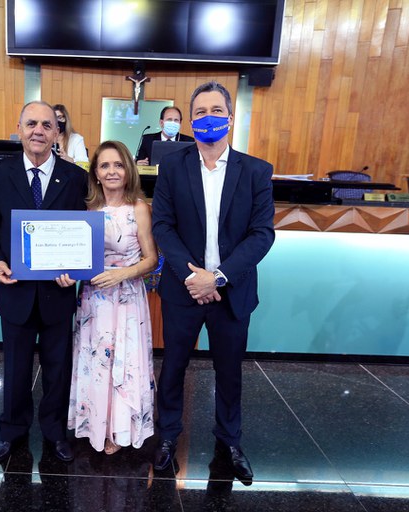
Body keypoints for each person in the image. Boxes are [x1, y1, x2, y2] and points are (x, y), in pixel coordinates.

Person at [150, 81, 275, 483]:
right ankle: (167, 435)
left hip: (231, 291)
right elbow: (163, 226)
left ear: (230, 118)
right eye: (200, 112)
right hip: (183, 288)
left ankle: (230, 441)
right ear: (191, 121)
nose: (208, 118)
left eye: (216, 110)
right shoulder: (172, 166)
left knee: (229, 371)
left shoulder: (256, 171)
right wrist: (194, 276)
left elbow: (262, 234)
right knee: (173, 366)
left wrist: (217, 277)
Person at [0, 100, 88, 465]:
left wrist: (76, 268)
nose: (38, 130)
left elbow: (82, 232)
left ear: (57, 132)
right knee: (16, 368)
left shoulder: (75, 178)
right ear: (19, 130)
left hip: (58, 292)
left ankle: (55, 432)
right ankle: (12, 431)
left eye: (46, 125)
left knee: (58, 369)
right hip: (15, 290)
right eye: (31, 124)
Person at [63, 140, 157, 454]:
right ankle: (96, 424)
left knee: (123, 361)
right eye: (105, 165)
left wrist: (121, 274)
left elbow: (151, 259)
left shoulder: (139, 208)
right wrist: (67, 272)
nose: (112, 171)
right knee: (96, 361)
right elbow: (76, 256)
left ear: (128, 170)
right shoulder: (87, 209)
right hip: (93, 298)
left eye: (118, 165)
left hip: (126, 296)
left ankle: (119, 428)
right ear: (96, 173)